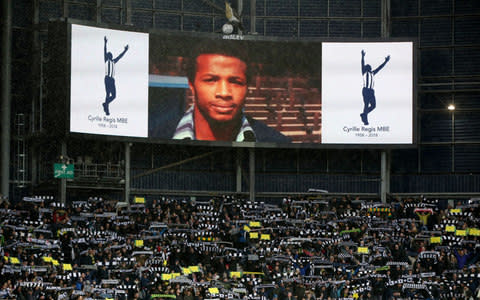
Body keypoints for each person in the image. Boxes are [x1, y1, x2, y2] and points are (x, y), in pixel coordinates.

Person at [152, 42, 291, 143]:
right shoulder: (156, 137)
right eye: (211, 80)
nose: (224, 93)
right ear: (191, 84)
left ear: (248, 87)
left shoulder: (277, 142)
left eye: (235, 82)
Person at [360, 50, 390, 125]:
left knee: (373, 106)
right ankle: (365, 120)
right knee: (366, 104)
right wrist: (363, 56)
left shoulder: (373, 73)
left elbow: (380, 67)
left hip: (371, 91)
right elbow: (362, 64)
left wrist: (386, 61)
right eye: (368, 66)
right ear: (367, 68)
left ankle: (364, 114)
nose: (369, 67)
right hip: (366, 90)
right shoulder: (364, 72)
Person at [103, 36, 129, 116]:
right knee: (107, 94)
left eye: (110, 55)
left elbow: (120, 56)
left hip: (112, 80)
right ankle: (107, 109)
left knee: (114, 96)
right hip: (107, 78)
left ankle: (105, 104)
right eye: (108, 55)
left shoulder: (114, 61)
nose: (110, 55)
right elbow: (105, 51)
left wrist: (125, 50)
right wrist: (105, 43)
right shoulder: (106, 60)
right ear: (107, 56)